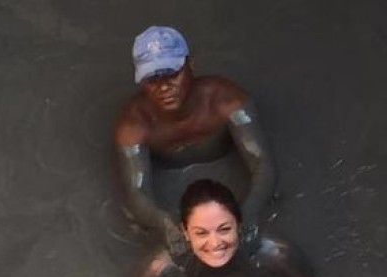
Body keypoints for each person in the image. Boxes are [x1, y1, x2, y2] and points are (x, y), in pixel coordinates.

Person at [114, 25, 274, 247]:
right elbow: (137, 193)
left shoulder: (227, 100)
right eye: (152, 80)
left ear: (191, 65)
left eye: (172, 74)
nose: (164, 88)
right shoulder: (134, 126)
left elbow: (262, 163)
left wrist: (248, 211)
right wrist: (164, 223)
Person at [120, 178, 318, 277]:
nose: (215, 243)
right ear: (185, 233)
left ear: (239, 226)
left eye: (224, 229)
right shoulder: (163, 270)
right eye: (201, 233)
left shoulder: (275, 257)